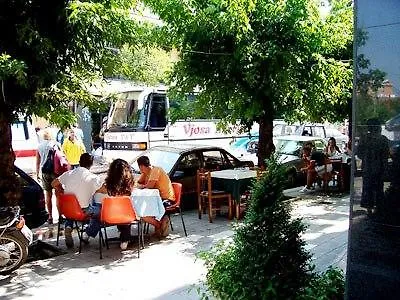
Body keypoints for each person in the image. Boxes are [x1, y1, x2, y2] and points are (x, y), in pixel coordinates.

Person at [51, 153, 103, 248]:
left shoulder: (68, 173)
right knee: (101, 212)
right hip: (83, 212)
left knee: (72, 210)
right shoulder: (93, 178)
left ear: (79, 162)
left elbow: (53, 183)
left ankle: (68, 227)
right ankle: (87, 234)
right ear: (91, 164)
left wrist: (61, 190)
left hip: (67, 211)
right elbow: (103, 190)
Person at [357, 118, 390, 215]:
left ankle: (369, 208)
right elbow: (386, 155)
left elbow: (359, 154)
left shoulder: (364, 139)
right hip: (379, 168)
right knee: (379, 188)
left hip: (367, 168)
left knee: (367, 188)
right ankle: (378, 207)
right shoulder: (383, 139)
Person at [136, 155, 174, 237]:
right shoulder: (145, 172)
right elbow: (138, 183)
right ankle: (158, 225)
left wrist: (141, 186)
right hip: (156, 198)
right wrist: (141, 185)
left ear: (141, 166)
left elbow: (150, 186)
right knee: (145, 207)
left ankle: (160, 225)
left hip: (167, 198)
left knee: (147, 208)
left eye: (140, 167)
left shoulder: (155, 170)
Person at [104, 159, 136, 250]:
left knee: (121, 213)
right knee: (128, 212)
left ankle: (124, 237)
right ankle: (125, 239)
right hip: (127, 214)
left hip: (111, 214)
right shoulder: (129, 183)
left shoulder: (108, 184)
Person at [36, 129, 58, 224]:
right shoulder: (55, 144)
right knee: (58, 194)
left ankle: (50, 216)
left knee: (48, 195)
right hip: (55, 172)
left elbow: (37, 161)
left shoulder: (39, 146)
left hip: (44, 172)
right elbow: (60, 158)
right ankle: (60, 215)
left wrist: (37, 173)